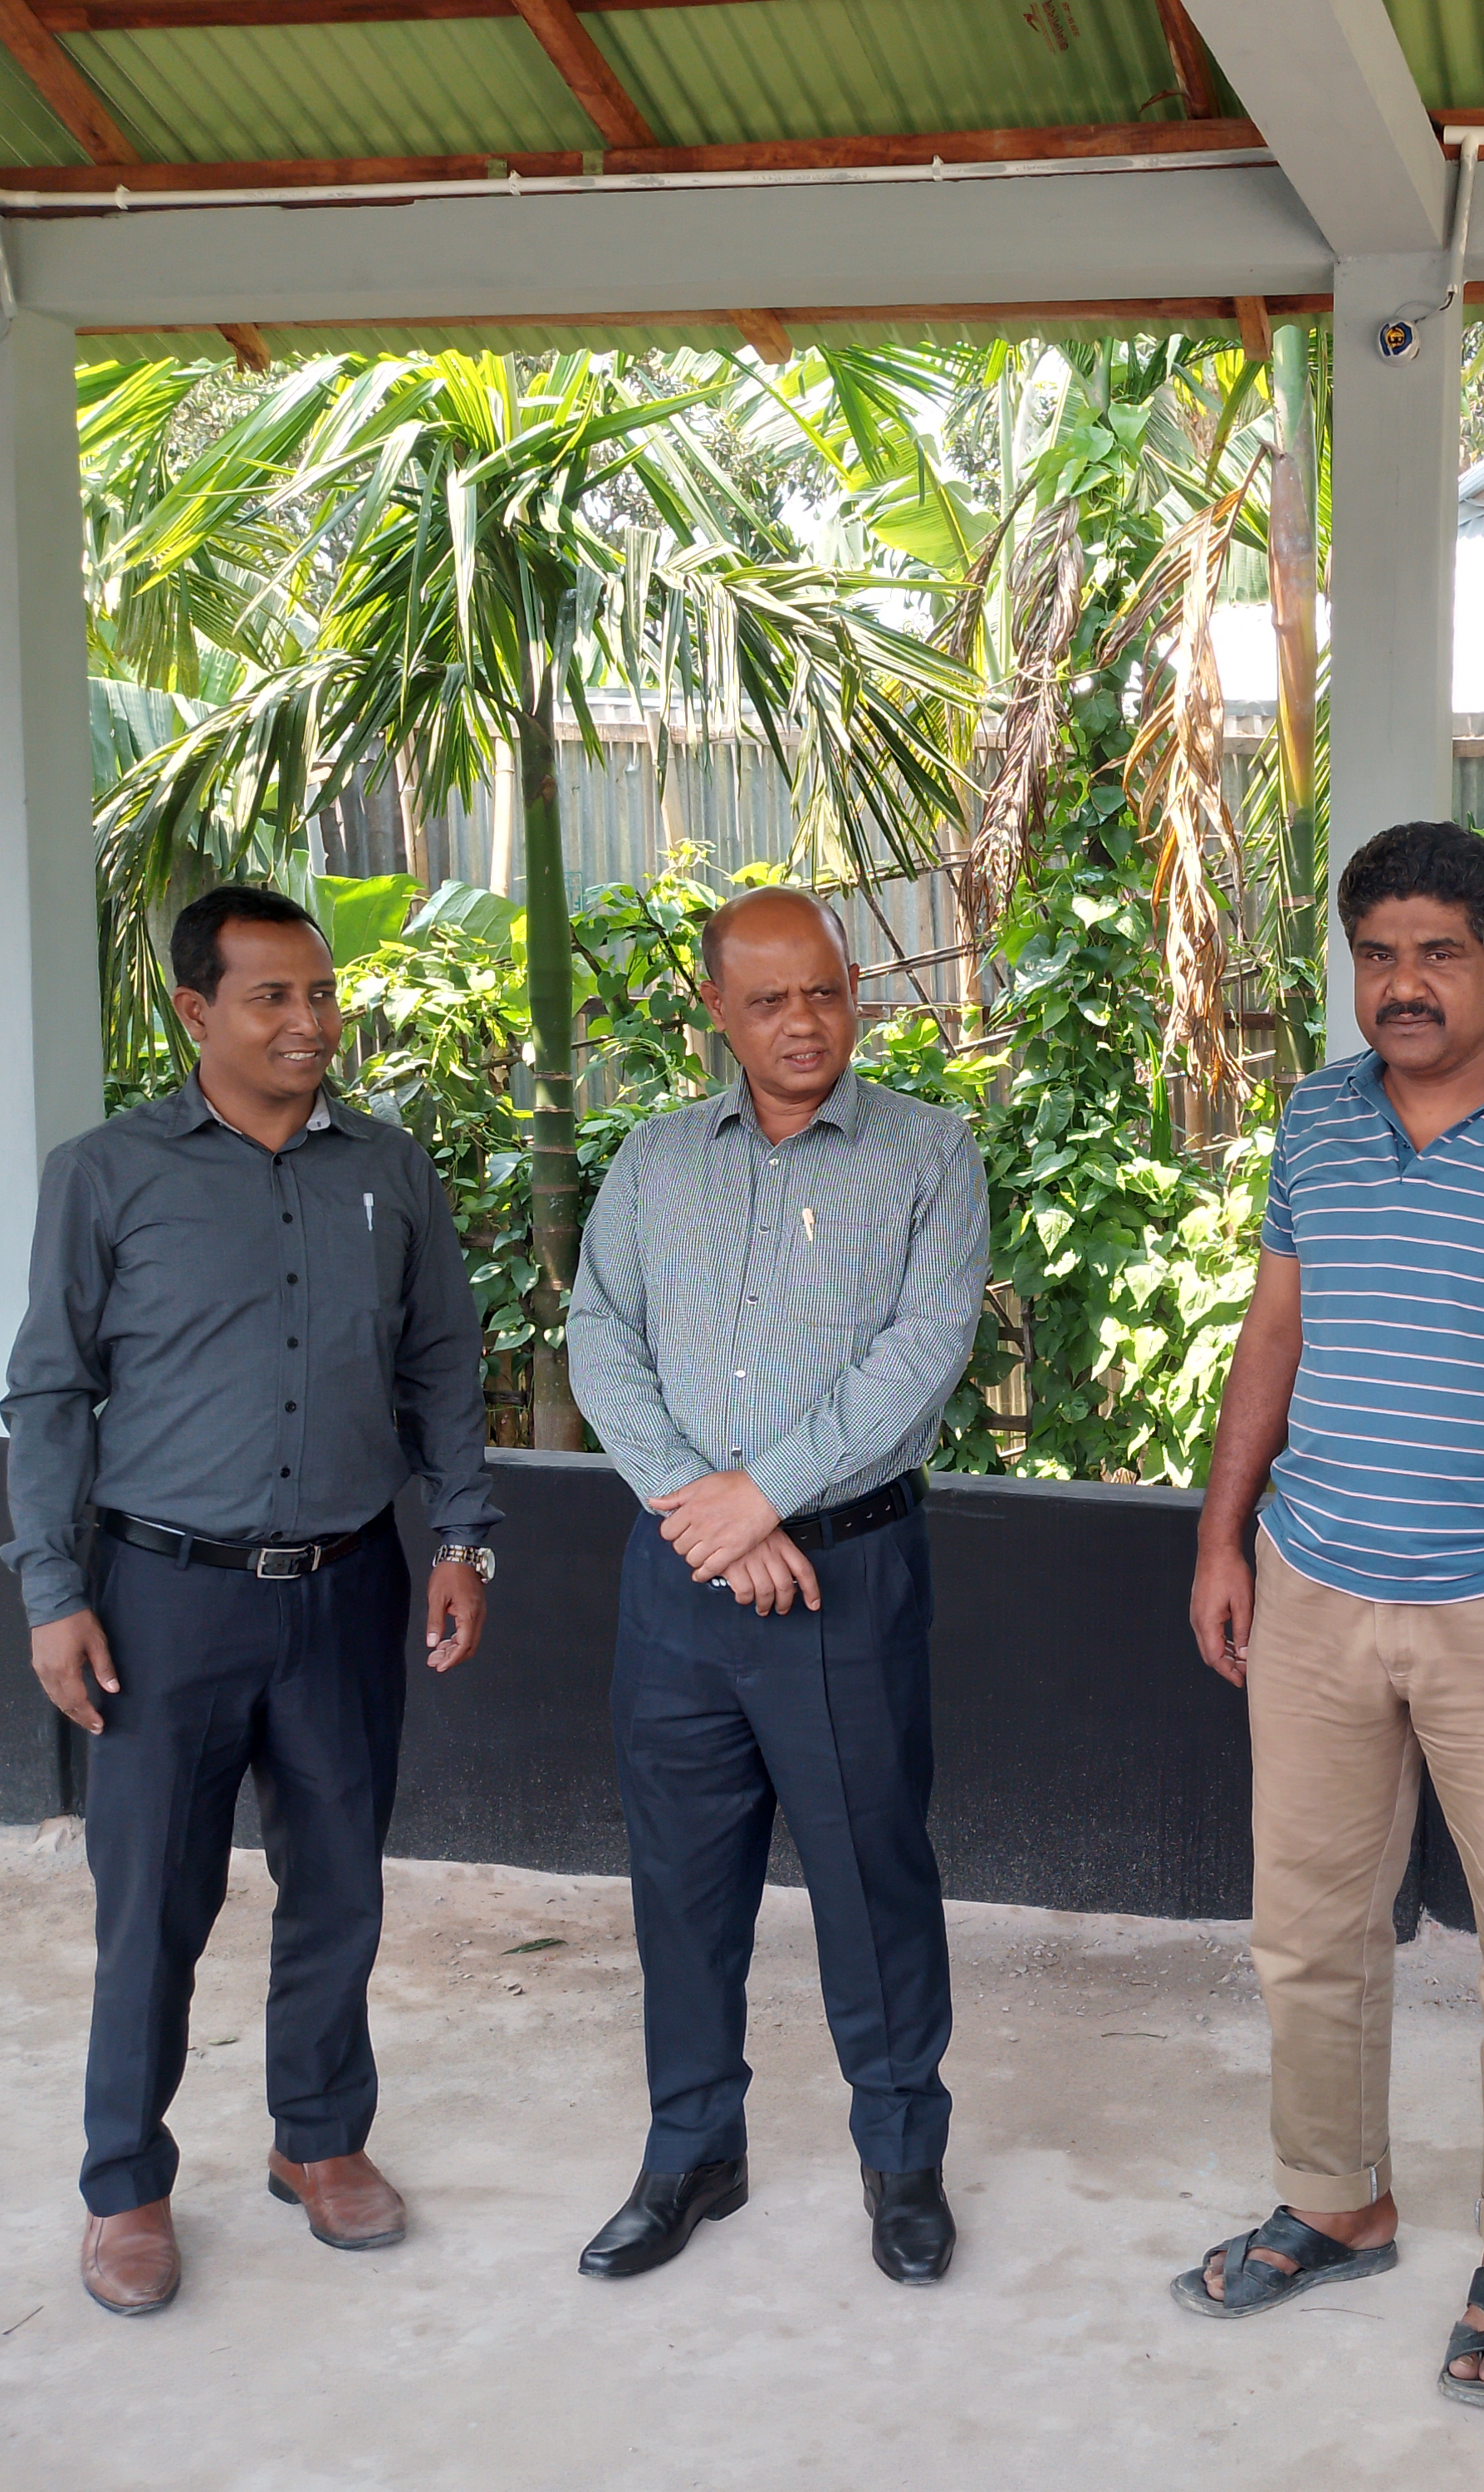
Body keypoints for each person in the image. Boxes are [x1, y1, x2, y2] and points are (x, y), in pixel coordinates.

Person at [1170, 818, 1484, 2408]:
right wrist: (1223, 1539)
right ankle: (1338, 2202)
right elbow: (1274, 1339)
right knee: (1310, 1932)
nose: (1404, 985)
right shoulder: (1316, 1123)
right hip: (1317, 1591)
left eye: (1439, 955)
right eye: (1378, 955)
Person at [1, 883, 500, 2320]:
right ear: (194, 1011)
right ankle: (125, 2185)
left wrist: (466, 1537)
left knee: (339, 1880)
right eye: (272, 996)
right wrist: (52, 1587)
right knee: (153, 1903)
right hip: (164, 1598)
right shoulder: (106, 1175)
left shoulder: (389, 1169)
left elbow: (443, 1363)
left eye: (321, 993)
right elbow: (50, 1390)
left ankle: (319, 2137)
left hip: (347, 1587)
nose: (308, 1022)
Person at [563, 885, 988, 2288]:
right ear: (716, 1012)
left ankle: (903, 2160)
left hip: (849, 1574)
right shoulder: (653, 1161)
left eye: (825, 991)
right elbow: (599, 1340)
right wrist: (711, 1516)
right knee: (683, 1884)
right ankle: (693, 2149)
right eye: (768, 1001)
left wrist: (765, 1494)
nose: (804, 1023)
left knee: (872, 1877)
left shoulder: (929, 1154)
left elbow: (922, 1353)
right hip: (679, 1586)